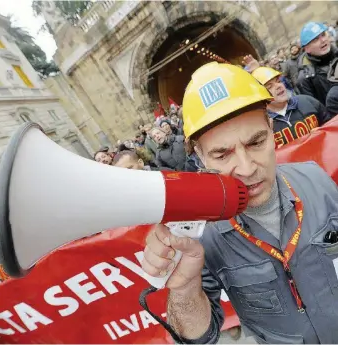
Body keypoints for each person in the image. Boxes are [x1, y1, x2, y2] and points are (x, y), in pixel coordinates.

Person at [141, 62, 338, 344]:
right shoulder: (198, 236)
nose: (246, 169)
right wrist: (184, 289)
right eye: (223, 155)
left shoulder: (315, 177)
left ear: (271, 130)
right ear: (200, 156)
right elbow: (199, 339)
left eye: (256, 142)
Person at [251, 66, 331, 147]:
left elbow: (332, 127)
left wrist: (323, 131)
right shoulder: (260, 125)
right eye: (270, 86)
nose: (279, 86)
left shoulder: (307, 101)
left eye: (278, 81)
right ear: (261, 96)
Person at [297, 21, 338, 104]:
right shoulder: (305, 78)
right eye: (315, 40)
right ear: (307, 48)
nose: (322, 40)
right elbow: (316, 109)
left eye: (323, 35)